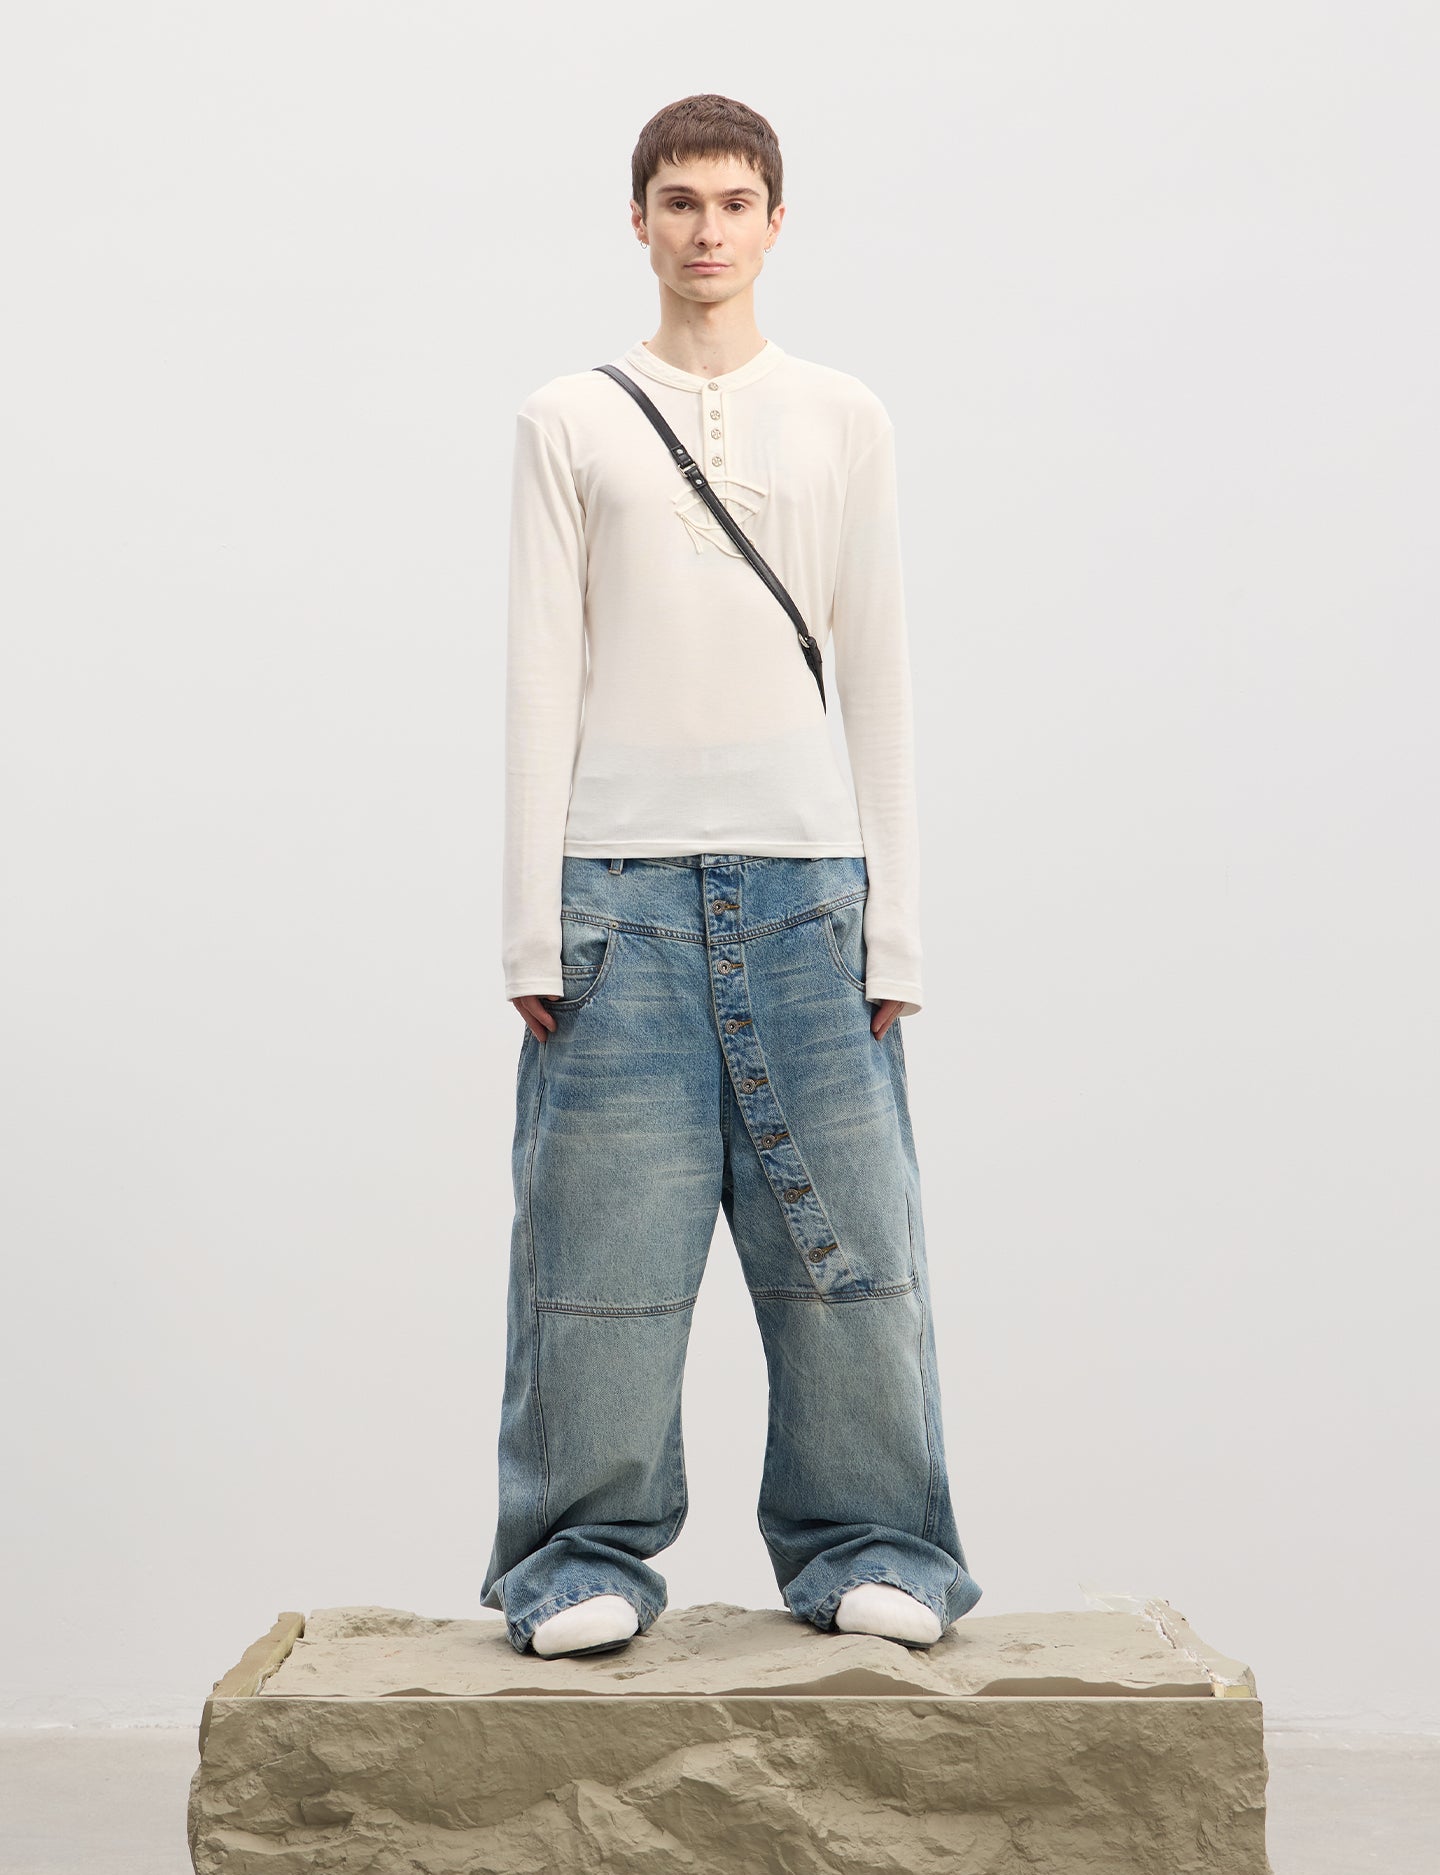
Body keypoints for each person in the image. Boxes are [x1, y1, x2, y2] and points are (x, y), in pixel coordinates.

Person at [480, 93, 982, 1659]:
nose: (707, 230)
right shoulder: (568, 418)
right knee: (597, 1263)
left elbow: (881, 671)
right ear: (637, 220)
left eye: (735, 202)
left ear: (776, 222)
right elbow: (539, 674)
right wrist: (531, 924)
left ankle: (874, 1545)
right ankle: (576, 1560)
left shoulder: (843, 415)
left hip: (808, 891)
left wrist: (898, 925)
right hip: (615, 895)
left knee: (853, 1257)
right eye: (680, 202)